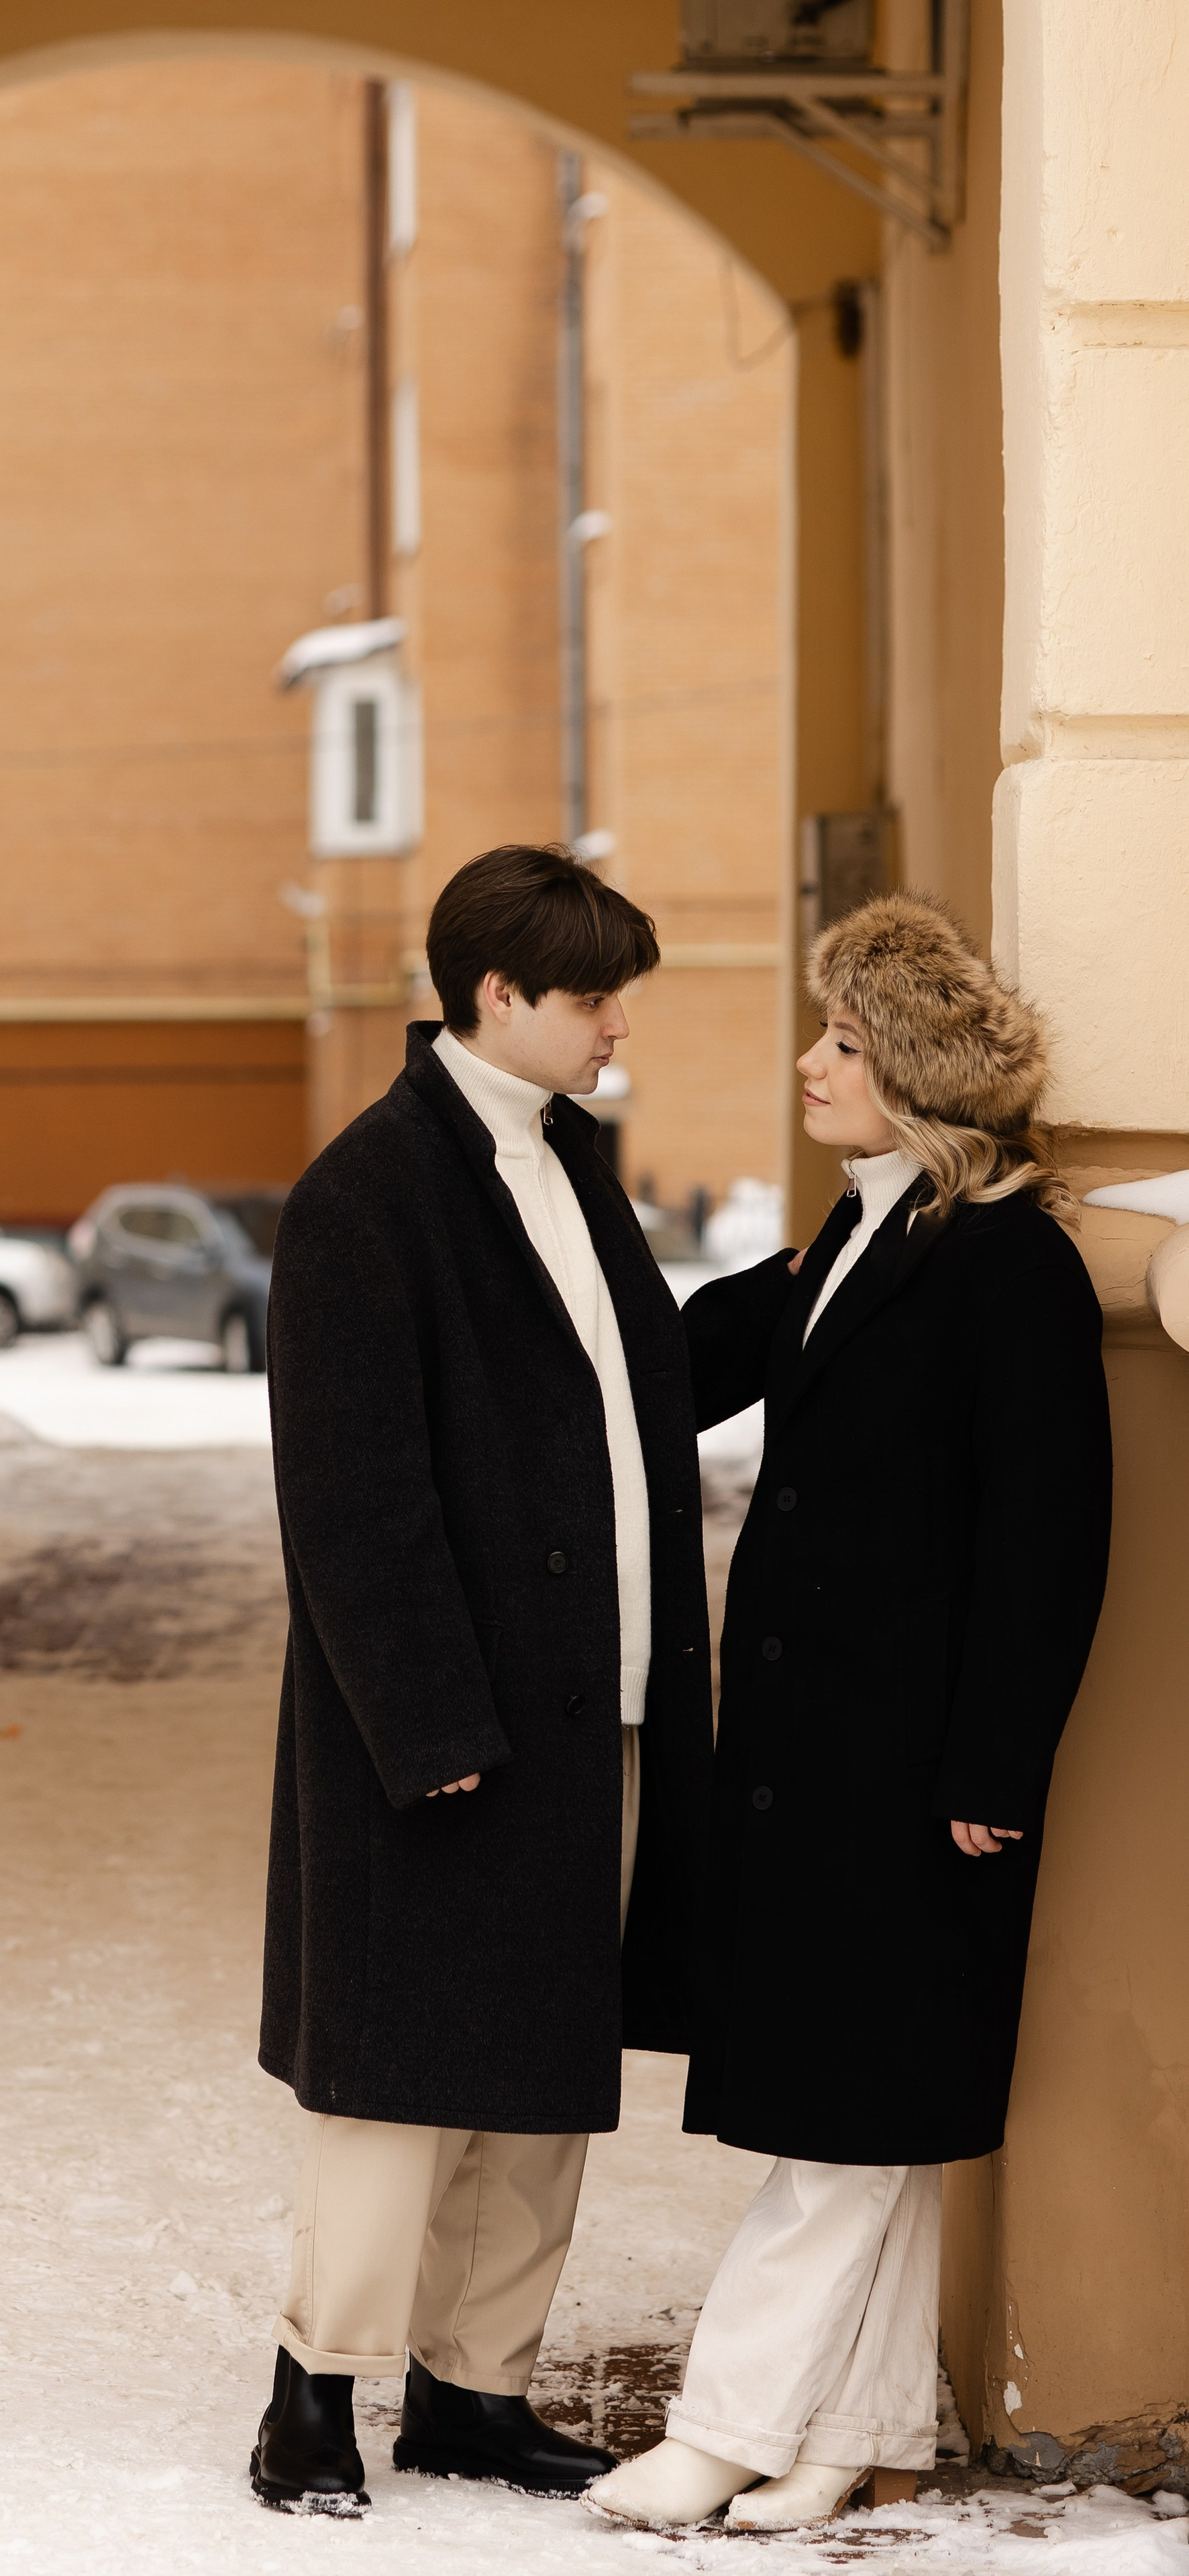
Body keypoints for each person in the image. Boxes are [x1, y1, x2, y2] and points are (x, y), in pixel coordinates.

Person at [585, 893, 1112, 2535]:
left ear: (919, 1078)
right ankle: (855, 2433)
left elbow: (1047, 1539)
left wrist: (991, 1763)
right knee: (871, 2109)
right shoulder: (864, 1236)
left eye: (841, 1041)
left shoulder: (1007, 1265)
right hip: (818, 1759)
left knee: (838, 2122)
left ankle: (724, 2426)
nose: (809, 1064)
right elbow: (683, 1365)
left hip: (916, 1770)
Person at [250, 844, 713, 2515]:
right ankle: (312, 2392)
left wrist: (842, 1295)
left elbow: (626, 1385)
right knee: (395, 2077)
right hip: (447, 1725)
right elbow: (349, 1493)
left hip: (599, 1706)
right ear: (496, 994)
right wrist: (425, 1716)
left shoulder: (569, 1164)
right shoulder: (367, 1194)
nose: (613, 1030)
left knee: (538, 2072)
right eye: (590, 1000)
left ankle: (473, 2391)